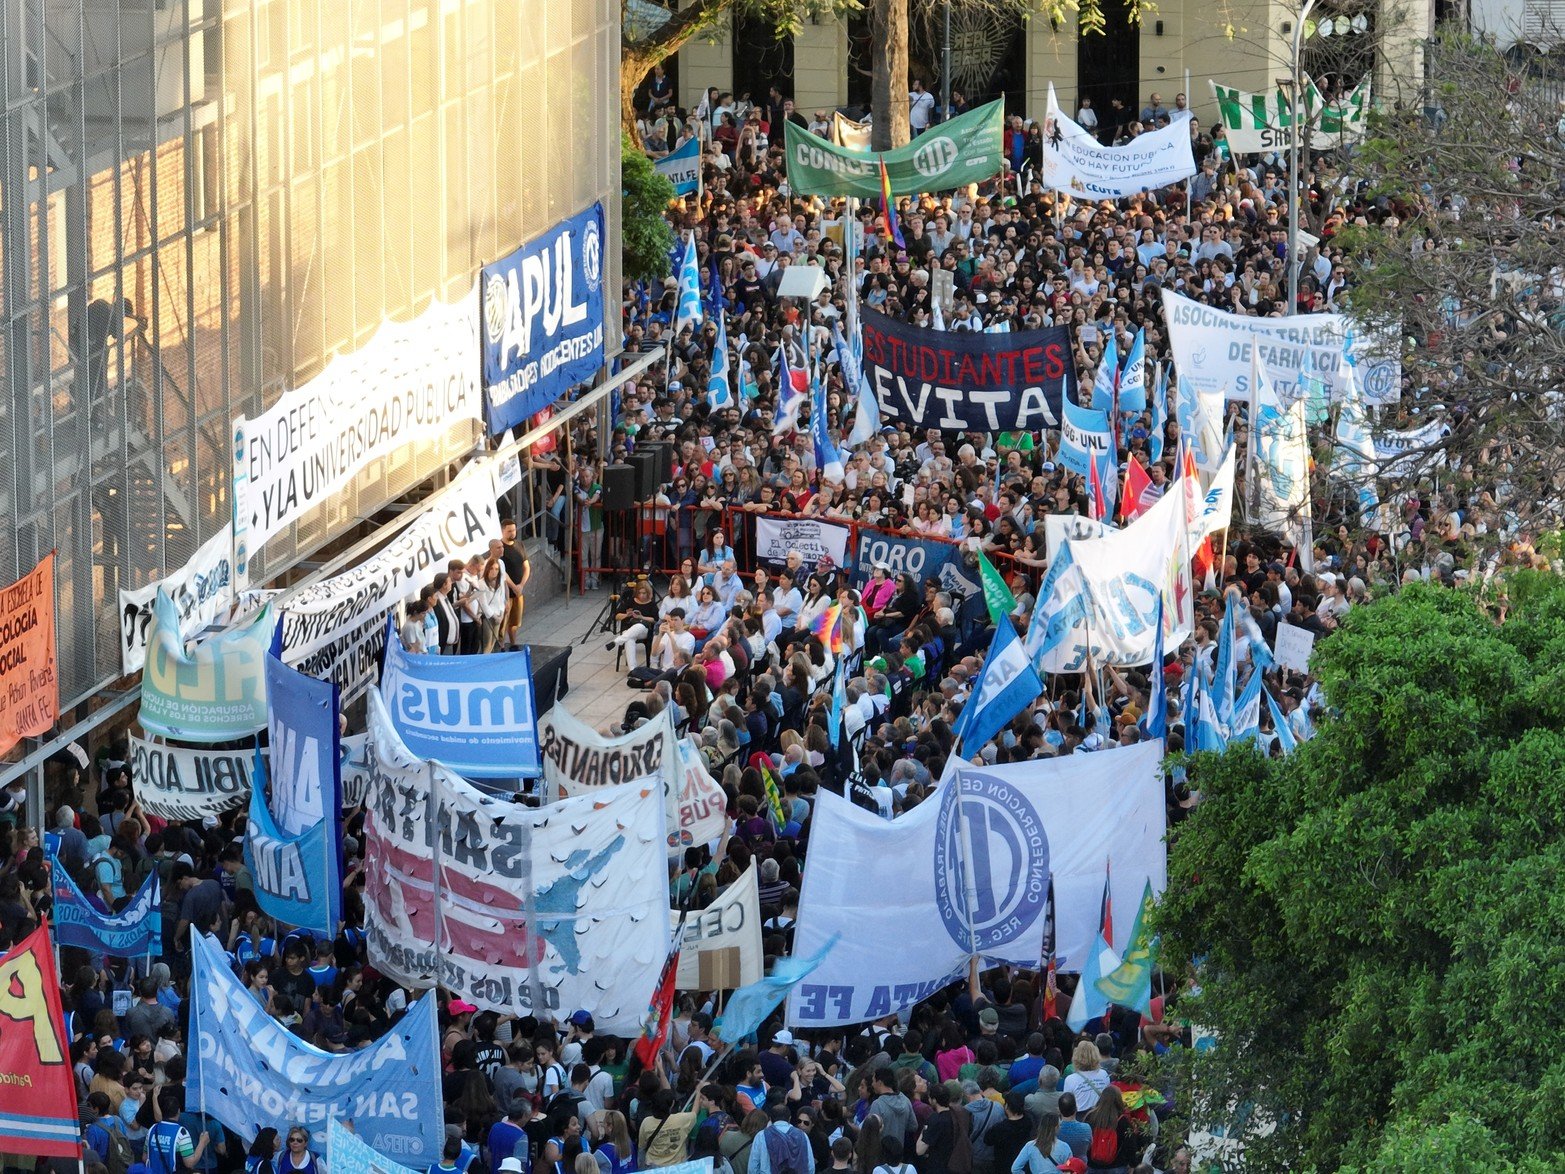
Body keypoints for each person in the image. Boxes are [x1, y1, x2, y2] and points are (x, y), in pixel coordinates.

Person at [146, 1088, 211, 1172]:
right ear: (178, 1111)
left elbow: (145, 1157)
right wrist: (202, 1143)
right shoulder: (181, 1133)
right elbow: (189, 1163)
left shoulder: (152, 1129)